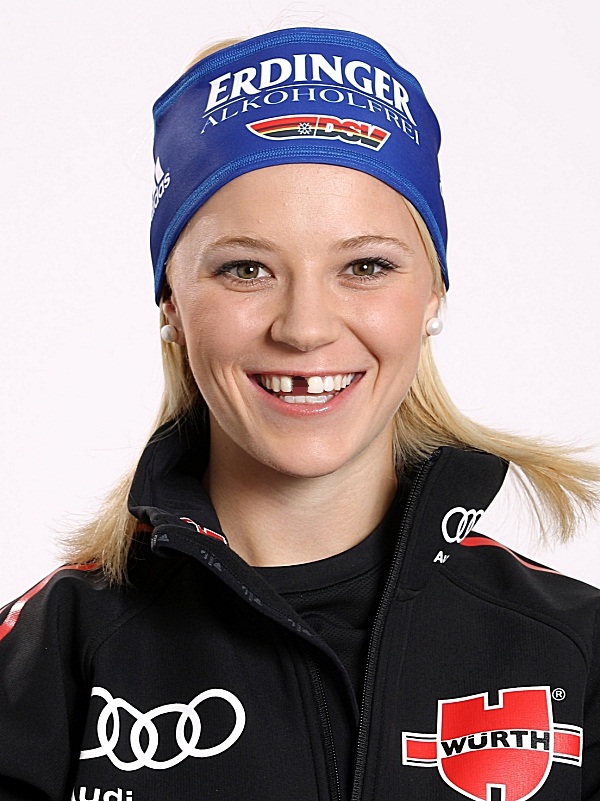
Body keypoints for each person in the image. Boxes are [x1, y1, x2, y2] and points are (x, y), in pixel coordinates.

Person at [1, 26, 599, 801]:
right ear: (172, 302)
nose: (306, 327)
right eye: (246, 268)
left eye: (366, 265)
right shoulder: (47, 661)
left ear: (433, 295)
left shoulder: (576, 651)